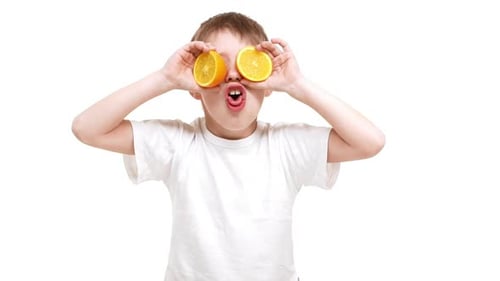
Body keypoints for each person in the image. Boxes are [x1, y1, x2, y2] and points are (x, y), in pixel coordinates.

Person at [72, 11, 385, 281]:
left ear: (267, 81)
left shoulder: (284, 146)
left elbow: (370, 142)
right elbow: (88, 129)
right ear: (196, 85)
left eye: (248, 65)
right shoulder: (179, 143)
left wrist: (296, 84)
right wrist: (165, 78)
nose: (233, 74)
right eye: (217, 66)